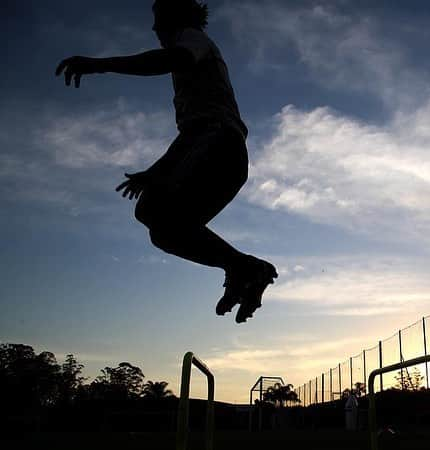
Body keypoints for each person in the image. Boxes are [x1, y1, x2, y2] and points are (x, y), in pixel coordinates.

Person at [55, 0, 277, 323]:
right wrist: (154, 173)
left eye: (159, 21)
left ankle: (244, 267)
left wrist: (99, 64)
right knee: (160, 226)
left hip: (220, 147)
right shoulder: (196, 84)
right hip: (217, 150)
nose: (154, 30)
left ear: (176, 20)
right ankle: (242, 269)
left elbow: (168, 63)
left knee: (155, 212)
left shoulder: (193, 40)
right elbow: (191, 134)